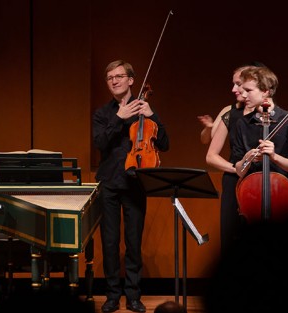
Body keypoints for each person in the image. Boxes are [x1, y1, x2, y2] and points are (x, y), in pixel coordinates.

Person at [92, 60, 169, 313]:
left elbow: (165, 143)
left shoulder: (144, 108)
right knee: (110, 242)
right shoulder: (103, 113)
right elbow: (100, 143)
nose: (114, 80)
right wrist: (118, 118)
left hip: (136, 182)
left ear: (131, 80)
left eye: (119, 76)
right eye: (109, 77)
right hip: (110, 184)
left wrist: (152, 115)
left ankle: (134, 296)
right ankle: (112, 296)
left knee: (134, 243)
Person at [202, 63, 263, 257]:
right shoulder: (231, 114)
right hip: (234, 181)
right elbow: (211, 155)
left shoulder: (272, 115)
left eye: (240, 84)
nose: (234, 89)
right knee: (232, 239)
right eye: (236, 84)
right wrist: (235, 168)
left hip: (264, 181)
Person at [232, 66, 288, 213]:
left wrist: (274, 157)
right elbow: (240, 171)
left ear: (265, 91)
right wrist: (247, 159)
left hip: (280, 194)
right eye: (243, 90)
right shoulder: (242, 123)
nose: (243, 95)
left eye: (249, 90)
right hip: (250, 196)